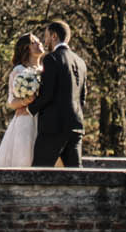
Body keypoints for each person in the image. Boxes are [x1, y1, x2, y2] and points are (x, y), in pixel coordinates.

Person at [29, 19, 88, 167]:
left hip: (53, 127)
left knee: (39, 173)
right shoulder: (80, 62)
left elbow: (47, 94)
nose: (45, 40)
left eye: (47, 36)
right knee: (76, 176)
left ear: (54, 36)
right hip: (76, 125)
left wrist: (29, 109)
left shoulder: (52, 59)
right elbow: (82, 98)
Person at [0, 33, 44, 168]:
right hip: (25, 120)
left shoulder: (45, 69)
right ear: (26, 48)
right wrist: (26, 100)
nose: (40, 44)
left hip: (44, 119)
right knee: (24, 159)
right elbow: (11, 102)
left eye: (39, 41)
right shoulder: (19, 70)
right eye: (34, 42)